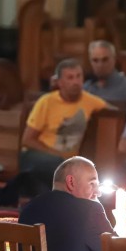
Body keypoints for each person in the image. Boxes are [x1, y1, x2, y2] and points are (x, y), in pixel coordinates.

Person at [19, 59, 108, 190]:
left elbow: (116, 113)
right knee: (61, 167)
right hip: (35, 156)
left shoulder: (90, 101)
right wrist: (56, 154)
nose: (76, 82)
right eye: (70, 78)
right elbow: (27, 140)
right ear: (60, 82)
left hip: (68, 164)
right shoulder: (46, 102)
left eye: (78, 76)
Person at [84, 40, 126, 110]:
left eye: (105, 60)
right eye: (95, 60)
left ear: (114, 59)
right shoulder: (86, 88)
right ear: (90, 62)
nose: (100, 65)